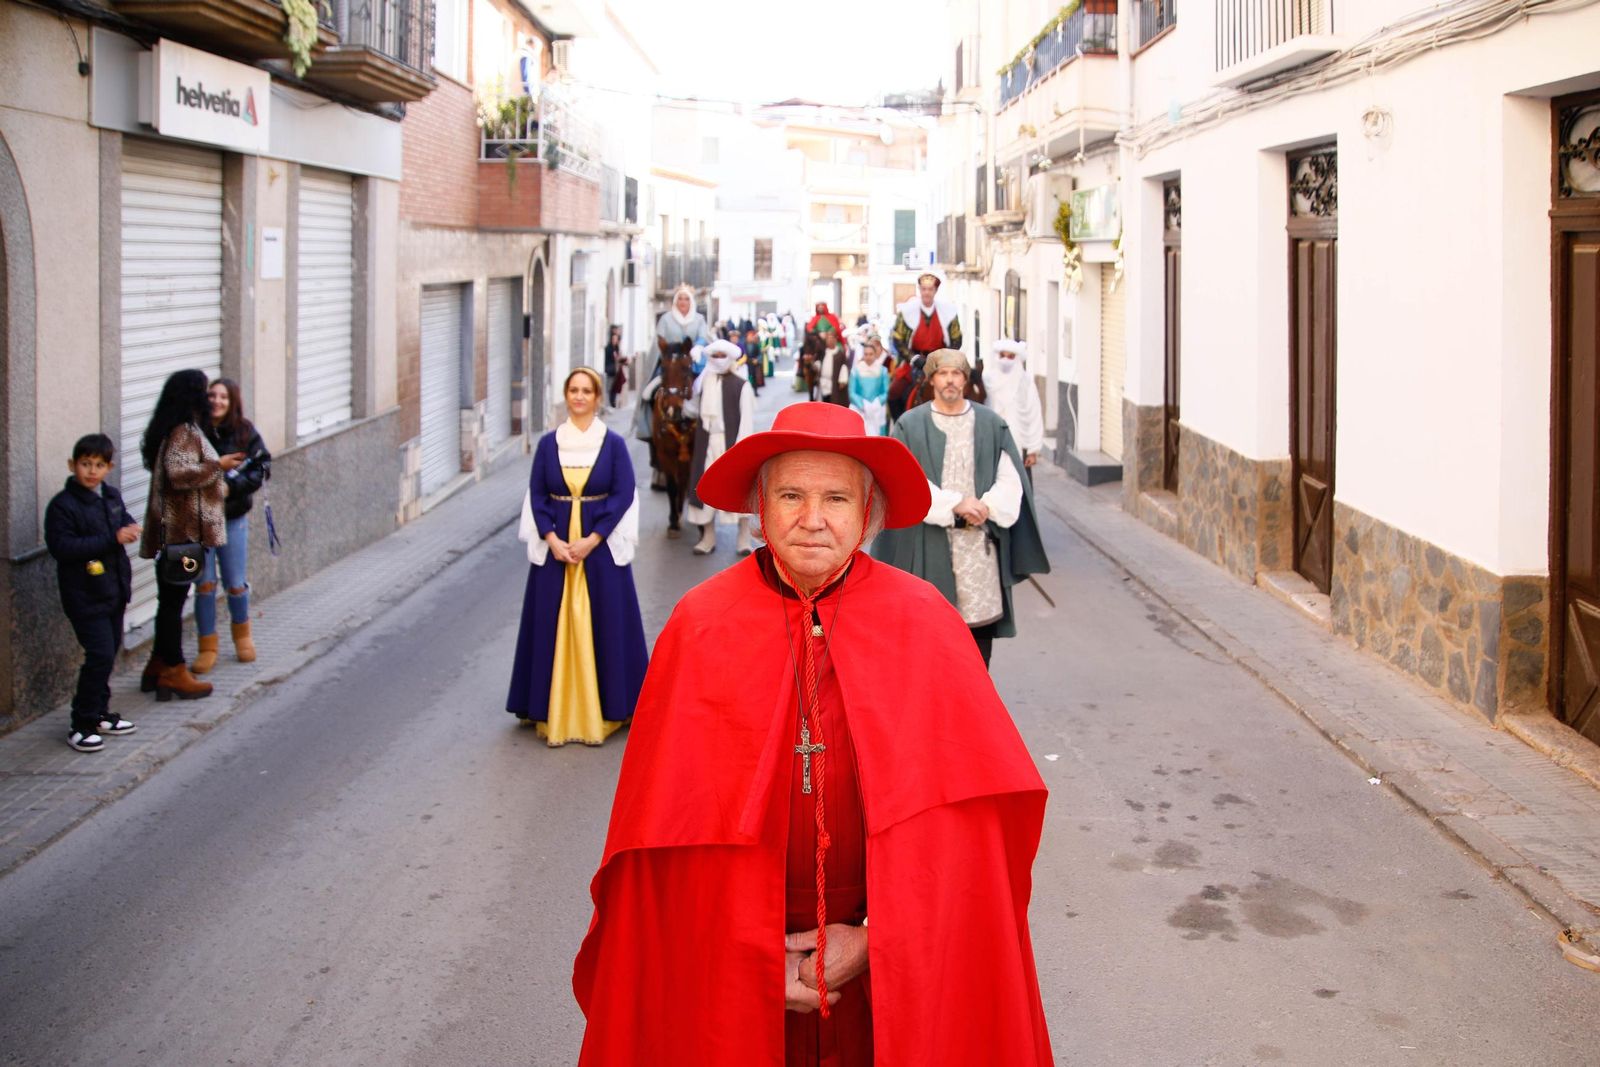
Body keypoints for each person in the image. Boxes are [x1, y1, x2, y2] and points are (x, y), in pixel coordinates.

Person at [572, 402, 1055, 1066]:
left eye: (835, 497)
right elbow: (658, 847)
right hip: (726, 958)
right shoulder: (700, 626)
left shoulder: (927, 625)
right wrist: (748, 953)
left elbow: (973, 840)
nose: (813, 518)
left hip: (890, 962)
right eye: (792, 495)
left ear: (869, 513)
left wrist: (876, 936)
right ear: (760, 508)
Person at [873, 349, 1049, 669]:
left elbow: (1011, 478)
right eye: (943, 374)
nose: (950, 380)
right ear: (932, 380)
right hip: (929, 546)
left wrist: (986, 506)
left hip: (978, 550)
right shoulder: (910, 425)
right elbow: (904, 481)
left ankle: (975, 712)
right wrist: (955, 504)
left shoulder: (991, 424)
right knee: (932, 643)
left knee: (978, 647)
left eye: (957, 374)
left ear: (966, 380)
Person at [507, 367, 648, 746]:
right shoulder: (549, 444)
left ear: (598, 397)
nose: (580, 397)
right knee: (548, 620)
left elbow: (622, 493)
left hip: (596, 547)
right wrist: (552, 538)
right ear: (566, 395)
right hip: (558, 546)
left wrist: (593, 538)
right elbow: (537, 493)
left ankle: (613, 704)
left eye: (587, 391)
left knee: (608, 619)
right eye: (574, 390)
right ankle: (542, 704)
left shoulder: (613, 444)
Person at [139, 369, 245, 701]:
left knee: (168, 601)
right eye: (202, 389)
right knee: (174, 602)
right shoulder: (185, 431)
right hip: (184, 536)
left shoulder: (169, 429)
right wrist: (219, 466)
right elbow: (179, 474)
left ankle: (157, 665)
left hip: (175, 534)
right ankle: (174, 671)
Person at [44, 434, 142, 752]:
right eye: (85, 464)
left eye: (98, 465)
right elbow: (63, 547)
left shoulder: (111, 497)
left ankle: (100, 713)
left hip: (113, 590)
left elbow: (123, 522)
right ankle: (81, 724)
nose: (91, 471)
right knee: (99, 654)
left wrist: (132, 529)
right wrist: (114, 537)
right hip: (84, 594)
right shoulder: (63, 506)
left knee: (108, 652)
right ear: (73, 465)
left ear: (108, 467)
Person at [191, 378, 271, 674]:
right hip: (199, 521)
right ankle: (207, 646)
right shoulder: (194, 431)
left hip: (233, 519)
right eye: (212, 395)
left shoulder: (245, 431)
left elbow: (262, 467)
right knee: (204, 584)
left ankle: (242, 636)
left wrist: (231, 489)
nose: (216, 401)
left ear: (232, 400)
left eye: (223, 396)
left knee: (235, 584)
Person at [684, 338, 756, 556]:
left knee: (736, 489)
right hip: (707, 442)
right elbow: (693, 409)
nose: (717, 360)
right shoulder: (704, 383)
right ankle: (707, 536)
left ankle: (743, 538)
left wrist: (741, 452)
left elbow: (747, 422)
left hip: (731, 443)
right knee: (703, 485)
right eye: (714, 356)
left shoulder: (742, 385)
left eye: (721, 356)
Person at [639, 287, 712, 485]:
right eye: (679, 299)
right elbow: (660, 340)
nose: (682, 302)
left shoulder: (698, 319)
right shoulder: (666, 319)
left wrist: (698, 347)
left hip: (691, 366)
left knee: (708, 393)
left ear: (691, 301)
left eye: (685, 299)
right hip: (669, 367)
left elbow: (704, 336)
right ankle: (649, 433)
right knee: (648, 395)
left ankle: (710, 438)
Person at [888, 270, 963, 420]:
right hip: (914, 361)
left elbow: (957, 339)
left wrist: (944, 358)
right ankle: (900, 428)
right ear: (920, 290)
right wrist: (913, 358)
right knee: (893, 393)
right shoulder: (907, 311)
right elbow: (897, 338)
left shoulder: (948, 312)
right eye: (923, 289)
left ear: (935, 291)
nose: (926, 293)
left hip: (941, 362)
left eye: (930, 289)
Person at [985, 339, 1045, 472]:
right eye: (1002, 356)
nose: (1006, 360)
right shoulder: (987, 380)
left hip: (1019, 444)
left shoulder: (1026, 382)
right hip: (992, 445)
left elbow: (1033, 414)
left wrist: (1033, 450)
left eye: (1011, 356)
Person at [848, 328, 889, 437]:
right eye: (866, 354)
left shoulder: (882, 371)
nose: (868, 357)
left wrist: (877, 402)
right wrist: (863, 405)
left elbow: (885, 391)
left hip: (877, 409)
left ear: (875, 355)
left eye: (871, 354)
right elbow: (852, 392)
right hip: (860, 408)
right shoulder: (856, 371)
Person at [603, 324, 625, 407]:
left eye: (616, 339)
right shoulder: (608, 348)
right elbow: (612, 358)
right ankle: (609, 404)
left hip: (616, 370)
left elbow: (619, 358)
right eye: (613, 339)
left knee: (615, 388)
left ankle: (613, 403)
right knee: (610, 388)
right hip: (610, 369)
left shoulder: (617, 348)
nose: (615, 340)